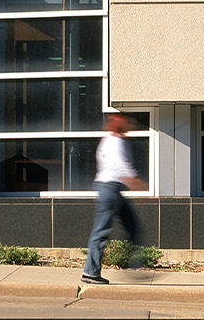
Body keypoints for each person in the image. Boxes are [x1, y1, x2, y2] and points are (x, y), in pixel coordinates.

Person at [81, 113, 146, 285]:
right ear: (117, 124)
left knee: (133, 227)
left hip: (113, 190)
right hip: (109, 190)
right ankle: (91, 272)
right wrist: (138, 184)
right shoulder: (115, 141)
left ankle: (134, 264)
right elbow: (121, 166)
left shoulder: (111, 140)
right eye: (126, 122)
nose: (130, 126)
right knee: (101, 232)